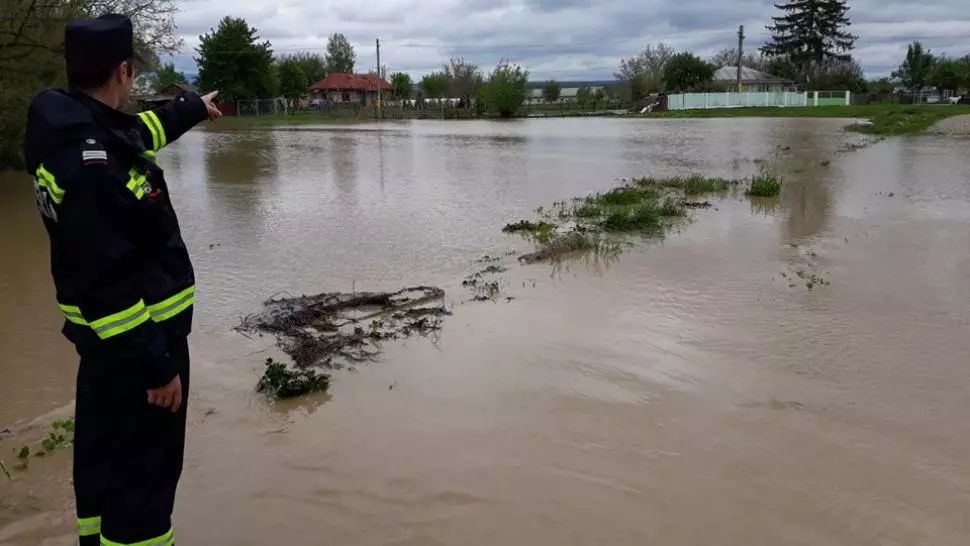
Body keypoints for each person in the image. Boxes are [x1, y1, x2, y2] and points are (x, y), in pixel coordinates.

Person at [22, 14, 221, 546]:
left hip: (106, 350)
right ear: (124, 71)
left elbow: (142, 132)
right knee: (144, 488)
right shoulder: (91, 166)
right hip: (140, 349)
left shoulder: (76, 129)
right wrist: (155, 367)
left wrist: (194, 108)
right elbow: (104, 282)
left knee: (103, 465)